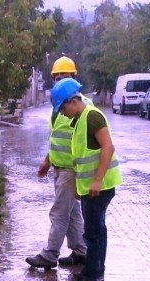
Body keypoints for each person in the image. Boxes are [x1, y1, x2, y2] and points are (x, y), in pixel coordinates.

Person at [49, 78, 123, 281]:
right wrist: (82, 189)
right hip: (92, 188)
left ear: (73, 101)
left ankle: (92, 275)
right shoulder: (81, 118)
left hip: (101, 187)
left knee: (93, 232)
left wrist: (98, 180)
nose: (61, 113)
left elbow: (107, 147)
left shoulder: (92, 116)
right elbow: (83, 157)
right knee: (95, 230)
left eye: (62, 108)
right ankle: (95, 272)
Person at [25, 56, 90, 269]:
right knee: (72, 212)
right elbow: (56, 138)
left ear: (74, 78)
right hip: (59, 167)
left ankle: (50, 255)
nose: (61, 81)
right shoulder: (57, 106)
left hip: (72, 169)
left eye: (65, 77)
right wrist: (47, 161)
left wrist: (84, 173)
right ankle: (80, 252)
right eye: (57, 78)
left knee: (59, 212)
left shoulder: (82, 106)